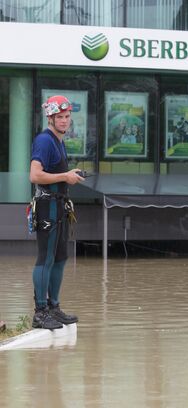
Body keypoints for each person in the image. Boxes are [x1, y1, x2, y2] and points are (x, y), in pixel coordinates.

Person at [29, 95, 84, 330]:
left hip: (59, 205)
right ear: (50, 118)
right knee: (47, 257)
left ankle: (54, 307)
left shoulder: (59, 141)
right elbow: (34, 175)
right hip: (47, 206)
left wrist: (70, 174)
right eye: (59, 117)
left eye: (67, 117)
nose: (64, 121)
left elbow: (55, 172)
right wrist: (65, 176)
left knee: (61, 257)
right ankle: (40, 312)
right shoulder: (44, 140)